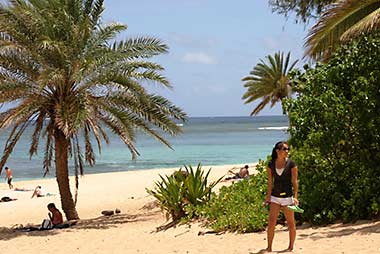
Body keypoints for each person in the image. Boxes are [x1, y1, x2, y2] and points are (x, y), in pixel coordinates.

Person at [264, 141, 299, 252]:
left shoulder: (292, 164)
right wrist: (268, 197)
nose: (286, 151)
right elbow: (270, 183)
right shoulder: (270, 165)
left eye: (287, 149)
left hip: (288, 197)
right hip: (275, 197)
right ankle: (269, 248)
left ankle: (290, 247)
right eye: (284, 149)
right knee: (271, 223)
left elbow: (294, 182)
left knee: (291, 223)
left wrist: (295, 197)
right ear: (277, 151)